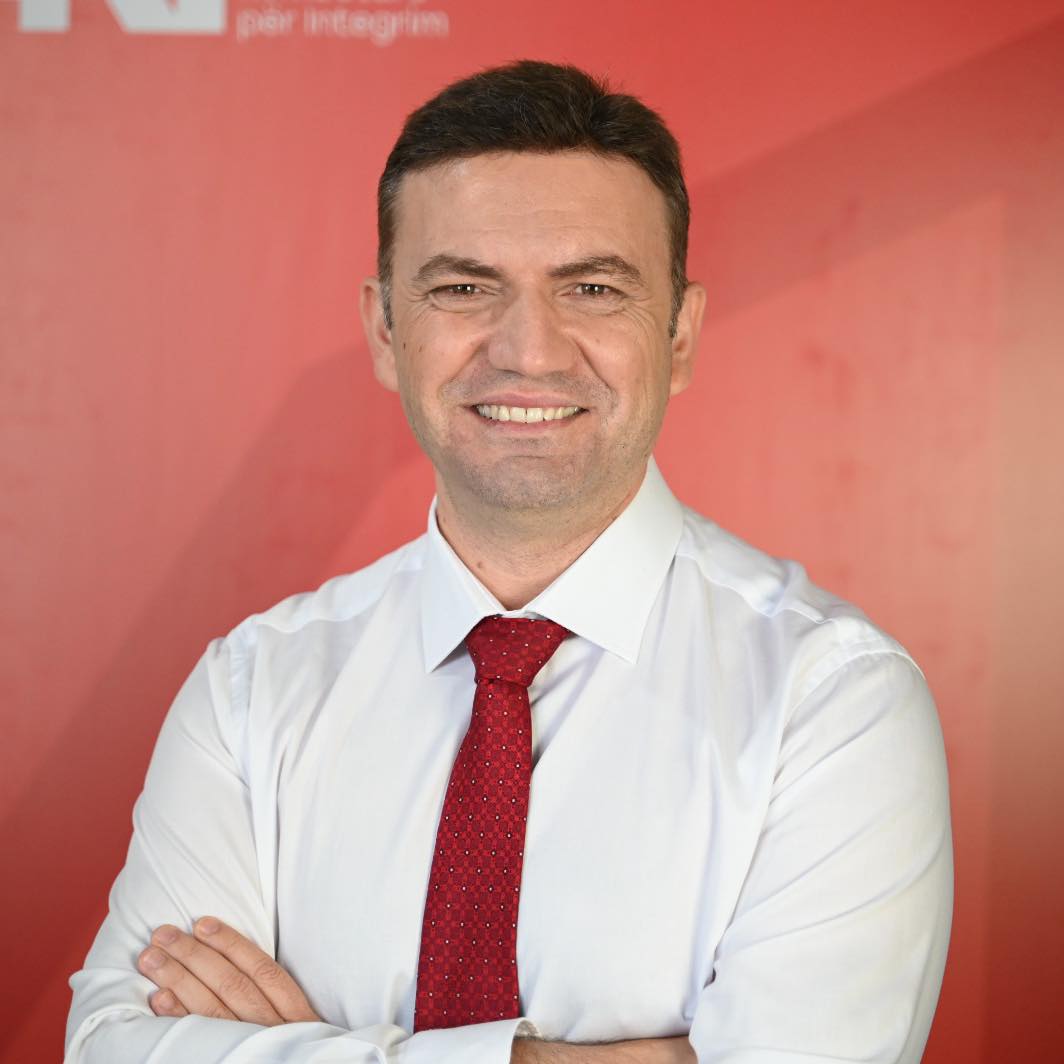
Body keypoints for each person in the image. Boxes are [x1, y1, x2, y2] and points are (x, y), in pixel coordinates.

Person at [64, 61, 952, 1064]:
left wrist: (301, 1049)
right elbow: (110, 1048)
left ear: (679, 334)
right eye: (463, 287)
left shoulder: (829, 702)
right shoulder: (250, 690)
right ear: (384, 331)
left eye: (592, 288)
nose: (529, 350)